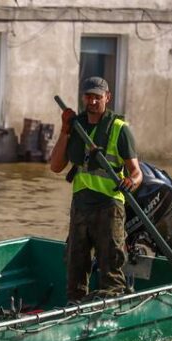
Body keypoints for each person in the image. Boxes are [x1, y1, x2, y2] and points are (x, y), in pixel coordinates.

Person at [49, 76, 143, 303]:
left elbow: (136, 172)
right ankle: (74, 307)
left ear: (107, 98)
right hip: (80, 206)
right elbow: (56, 166)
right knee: (76, 263)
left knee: (111, 263)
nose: (92, 102)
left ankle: (111, 307)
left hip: (109, 206)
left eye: (97, 97)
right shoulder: (76, 125)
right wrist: (65, 129)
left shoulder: (119, 129)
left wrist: (131, 181)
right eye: (88, 96)